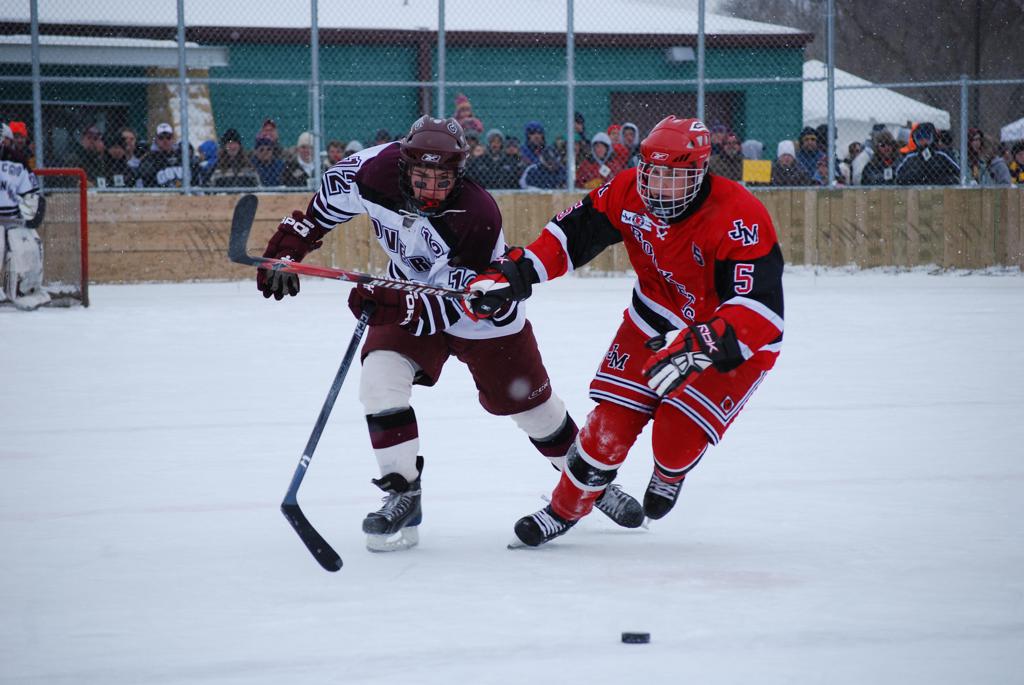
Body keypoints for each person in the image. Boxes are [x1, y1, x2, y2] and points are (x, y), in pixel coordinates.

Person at [254, 115, 643, 551]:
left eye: (442, 181)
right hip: (407, 291)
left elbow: (455, 299)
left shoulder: (477, 215)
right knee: (380, 380)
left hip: (483, 314)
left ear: (459, 174)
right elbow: (326, 203)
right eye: (421, 178)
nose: (430, 191)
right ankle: (403, 493)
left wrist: (393, 301)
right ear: (403, 166)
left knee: (535, 412)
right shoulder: (372, 172)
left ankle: (591, 484)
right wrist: (295, 242)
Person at [465, 116, 784, 547]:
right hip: (654, 316)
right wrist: (514, 274)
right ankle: (563, 509)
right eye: (653, 173)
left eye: (673, 177)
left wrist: (699, 346)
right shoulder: (627, 189)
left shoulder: (739, 216)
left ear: (700, 173)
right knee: (607, 428)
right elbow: (569, 236)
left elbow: (762, 310)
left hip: (729, 338)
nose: (658, 187)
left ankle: (669, 472)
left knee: (674, 435)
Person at [0, 122, 49, 309]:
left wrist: (33, 213)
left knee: (28, 247)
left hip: (13, 220)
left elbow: (31, 193)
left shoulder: (18, 161)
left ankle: (24, 289)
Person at [137, 123, 200, 188]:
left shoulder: (181, 156)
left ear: (173, 139)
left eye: (168, 137)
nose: (165, 141)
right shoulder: (150, 158)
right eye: (161, 138)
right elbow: (147, 182)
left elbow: (195, 179)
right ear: (156, 140)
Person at [895, 122, 959, 185]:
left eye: (926, 136)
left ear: (933, 137)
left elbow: (959, 169)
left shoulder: (942, 154)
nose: (923, 140)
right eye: (919, 137)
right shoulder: (911, 156)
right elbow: (896, 172)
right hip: (917, 188)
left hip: (940, 188)